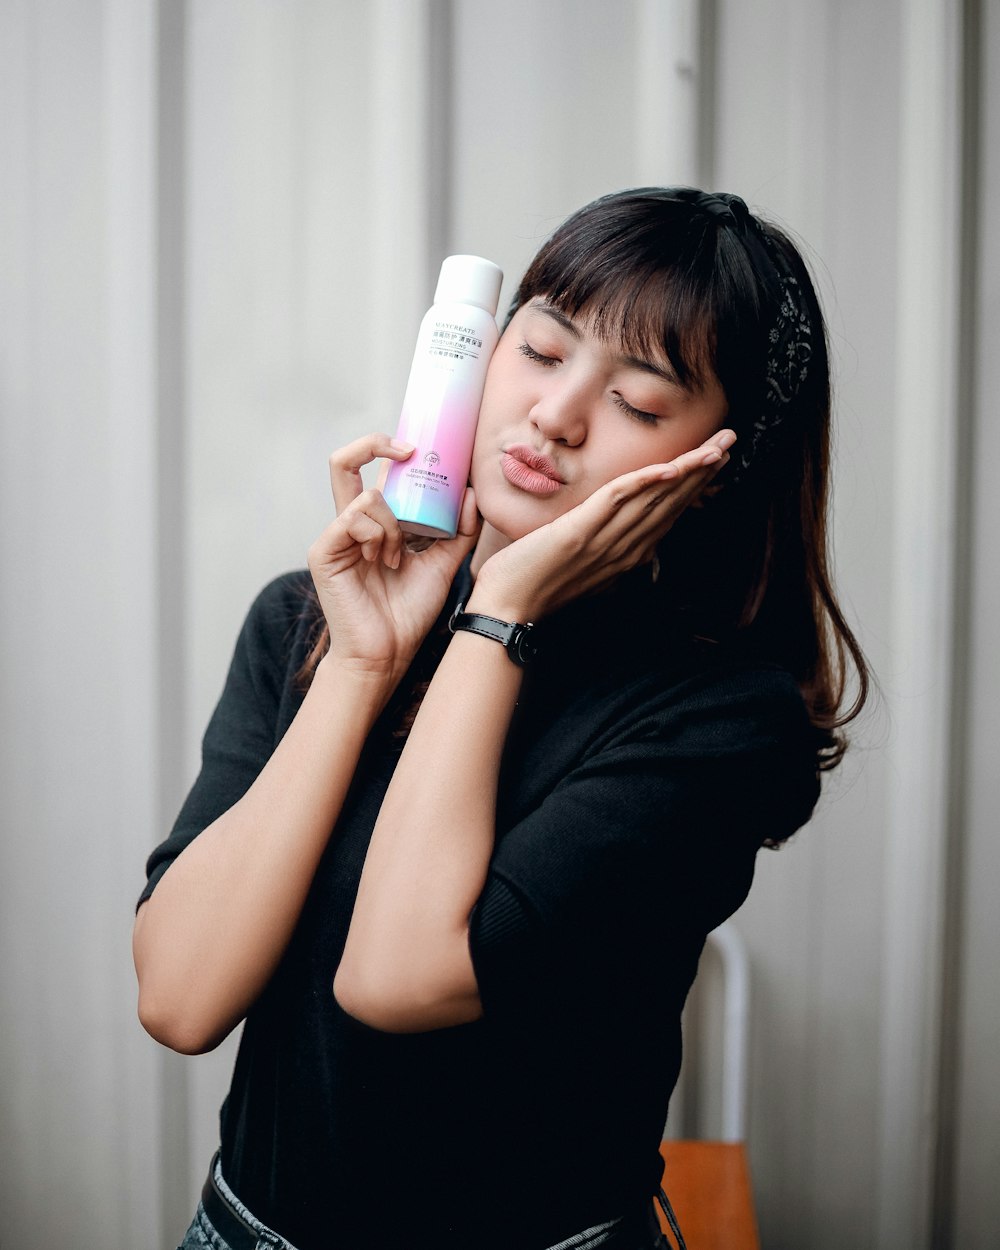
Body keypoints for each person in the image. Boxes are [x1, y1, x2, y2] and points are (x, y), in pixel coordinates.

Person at [133, 187, 869, 1250]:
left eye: (641, 401)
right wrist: (362, 663)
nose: (555, 415)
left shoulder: (718, 717)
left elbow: (394, 976)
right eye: (541, 346)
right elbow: (180, 996)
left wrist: (503, 610)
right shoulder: (312, 621)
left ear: (712, 468)